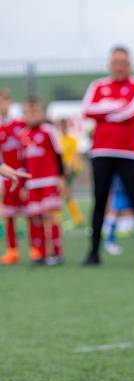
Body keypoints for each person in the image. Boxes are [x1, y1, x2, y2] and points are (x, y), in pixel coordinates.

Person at [81, 46, 134, 266]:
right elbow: (87, 110)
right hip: (101, 152)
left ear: (129, 64)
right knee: (99, 201)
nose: (119, 66)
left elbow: (132, 111)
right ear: (109, 64)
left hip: (130, 153)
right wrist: (114, 106)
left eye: (123, 62)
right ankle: (93, 253)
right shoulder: (98, 85)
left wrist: (104, 110)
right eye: (115, 62)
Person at [20, 96, 65, 265]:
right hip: (32, 183)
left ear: (42, 112)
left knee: (49, 215)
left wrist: (60, 177)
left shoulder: (48, 130)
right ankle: (40, 253)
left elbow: (58, 154)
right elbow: (24, 161)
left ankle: (56, 252)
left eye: (36, 111)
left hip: (48, 180)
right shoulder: (23, 134)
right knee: (35, 217)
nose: (32, 115)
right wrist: (24, 185)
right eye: (29, 111)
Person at [0, 90, 32, 265]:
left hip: (22, 174)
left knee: (31, 213)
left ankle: (36, 248)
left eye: (4, 101)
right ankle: (12, 250)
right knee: (8, 215)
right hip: (5, 175)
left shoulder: (21, 124)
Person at [56, 118, 85, 228]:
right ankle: (77, 218)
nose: (62, 128)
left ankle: (74, 218)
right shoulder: (59, 139)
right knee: (64, 194)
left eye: (64, 126)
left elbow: (74, 155)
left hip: (69, 170)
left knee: (63, 193)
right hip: (61, 170)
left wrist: (69, 168)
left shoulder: (71, 139)